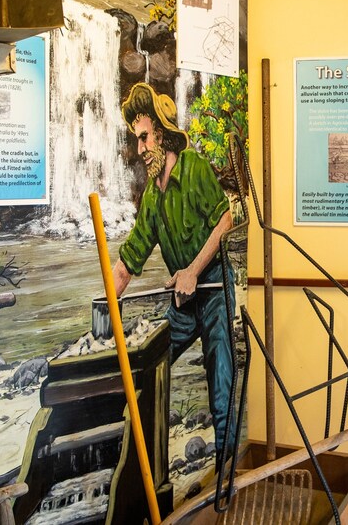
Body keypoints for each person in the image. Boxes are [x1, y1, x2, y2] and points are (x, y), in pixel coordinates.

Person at [112, 82, 236, 466]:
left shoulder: (195, 168)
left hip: (214, 291)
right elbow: (130, 258)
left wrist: (193, 271)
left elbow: (226, 219)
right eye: (137, 141)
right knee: (150, 363)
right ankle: (146, 465)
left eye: (145, 138)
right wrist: (106, 304)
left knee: (220, 387)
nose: (141, 149)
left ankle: (226, 477)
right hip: (183, 304)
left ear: (162, 135)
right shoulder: (152, 196)